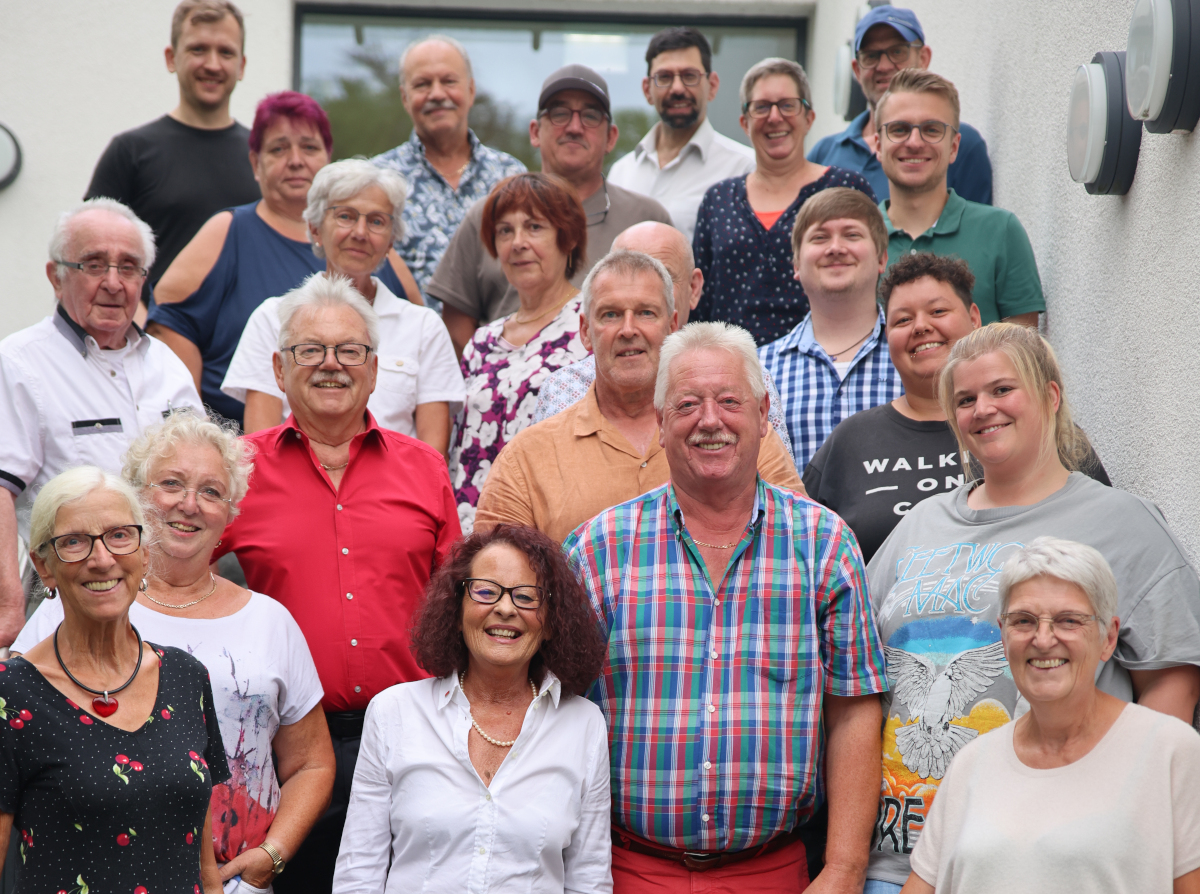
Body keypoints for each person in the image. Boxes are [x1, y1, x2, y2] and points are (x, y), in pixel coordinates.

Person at [865, 323, 1200, 893]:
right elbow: (866, 675)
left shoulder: (1123, 524)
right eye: (965, 399)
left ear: (1049, 395)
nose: (982, 410)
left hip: (1052, 859)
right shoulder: (919, 525)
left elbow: (1173, 683)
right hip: (900, 860)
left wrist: (1114, 817)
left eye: (1001, 390)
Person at [567, 322, 888, 893]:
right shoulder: (599, 549)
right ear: (660, 422)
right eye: (687, 403)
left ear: (764, 415)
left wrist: (843, 867)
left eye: (730, 401)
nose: (710, 420)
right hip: (626, 871)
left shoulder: (824, 545)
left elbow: (854, 710)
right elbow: (558, 711)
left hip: (778, 872)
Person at [12, 412, 336, 893]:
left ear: (231, 512)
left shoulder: (270, 621)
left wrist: (271, 857)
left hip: (235, 881)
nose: (190, 504)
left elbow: (312, 762)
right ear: (137, 497)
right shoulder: (79, 603)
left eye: (211, 491)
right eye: (171, 483)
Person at [213, 274, 460, 892]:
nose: (331, 365)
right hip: (286, 749)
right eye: (309, 350)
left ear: (374, 371)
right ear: (277, 367)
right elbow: (178, 574)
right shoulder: (237, 471)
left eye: (350, 351)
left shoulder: (424, 469)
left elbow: (460, 603)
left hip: (409, 738)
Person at [901, 538, 1200, 894]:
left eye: (1068, 620)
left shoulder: (1170, 751)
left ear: (1108, 638)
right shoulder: (971, 763)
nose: (1043, 640)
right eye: (1023, 621)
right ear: (1002, 634)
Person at [333, 524, 612, 892]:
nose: (505, 608)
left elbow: (588, 878)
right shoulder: (393, 712)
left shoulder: (582, 724)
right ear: (457, 608)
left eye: (527, 597)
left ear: (550, 623)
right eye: (485, 591)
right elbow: (359, 870)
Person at [0, 466, 229, 892]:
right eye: (73, 542)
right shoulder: (11, 694)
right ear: (43, 567)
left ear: (144, 552)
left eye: (120, 535)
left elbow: (202, 859)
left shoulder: (185, 676)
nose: (101, 558)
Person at [474, 250, 802, 543]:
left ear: (673, 326)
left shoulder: (735, 437)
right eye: (611, 315)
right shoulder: (528, 458)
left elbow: (801, 537)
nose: (628, 329)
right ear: (585, 332)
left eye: (646, 312)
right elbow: (492, 581)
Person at [804, 253, 1110, 563]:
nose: (920, 326)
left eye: (937, 310)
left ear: (974, 318)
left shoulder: (1043, 429)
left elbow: (1105, 536)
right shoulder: (851, 441)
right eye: (902, 319)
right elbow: (806, 552)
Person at [147, 91, 420, 426]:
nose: (295, 160)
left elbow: (416, 324)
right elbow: (169, 324)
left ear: (327, 157)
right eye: (278, 148)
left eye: (309, 147)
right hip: (243, 436)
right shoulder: (228, 230)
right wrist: (195, 423)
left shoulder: (371, 246)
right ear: (255, 163)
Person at [0, 198, 202, 644]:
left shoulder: (167, 365)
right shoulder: (19, 362)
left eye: (129, 267)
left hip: (170, 593)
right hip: (74, 594)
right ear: (56, 276)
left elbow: (207, 476)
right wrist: (7, 605)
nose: (114, 282)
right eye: (94, 265)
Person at [221, 158, 464, 456]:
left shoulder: (424, 326)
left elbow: (431, 456)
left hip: (393, 495)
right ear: (315, 228)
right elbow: (261, 448)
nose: (360, 232)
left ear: (391, 240)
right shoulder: (272, 318)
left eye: (376, 221)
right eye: (345, 216)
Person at [427, 64, 671, 357]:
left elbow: (673, 315)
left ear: (611, 138)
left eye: (591, 115)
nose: (574, 126)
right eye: (559, 113)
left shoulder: (647, 220)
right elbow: (456, 322)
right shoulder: (490, 215)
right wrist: (499, 375)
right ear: (534, 131)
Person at [530, 222, 795, 457]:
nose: (644, 282)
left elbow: (784, 500)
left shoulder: (747, 378)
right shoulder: (561, 390)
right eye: (626, 270)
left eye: (663, 275)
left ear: (694, 288)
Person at [85, 1, 261, 308]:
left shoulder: (263, 159)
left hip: (248, 349)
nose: (213, 64)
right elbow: (88, 258)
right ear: (171, 58)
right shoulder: (130, 152)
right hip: (148, 345)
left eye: (226, 52)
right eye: (198, 49)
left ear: (242, 65)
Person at [692, 58, 876, 346]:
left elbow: (873, 281)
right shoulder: (718, 201)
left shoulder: (847, 187)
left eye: (787, 105)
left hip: (822, 364)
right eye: (761, 107)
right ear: (745, 122)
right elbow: (699, 304)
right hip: (730, 375)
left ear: (809, 118)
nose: (774, 117)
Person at [449, 173, 591, 532]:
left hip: (549, 531)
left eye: (534, 227)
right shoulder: (482, 341)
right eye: (504, 231)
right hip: (471, 534)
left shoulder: (592, 326)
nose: (518, 243)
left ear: (568, 236)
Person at [870, 69, 1043, 327]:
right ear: (878, 145)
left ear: (953, 147)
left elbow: (1022, 356)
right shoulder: (856, 240)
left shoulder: (1000, 231)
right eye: (899, 129)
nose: (915, 142)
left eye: (931, 129)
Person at [373, 35, 526, 308]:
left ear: (470, 90)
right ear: (405, 97)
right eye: (422, 84)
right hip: (406, 347)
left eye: (448, 81)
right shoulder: (377, 180)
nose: (437, 94)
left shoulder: (511, 176)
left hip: (499, 345)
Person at [758, 188, 903, 470]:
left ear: (882, 258)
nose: (836, 247)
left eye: (852, 235)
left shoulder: (916, 357)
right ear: (797, 264)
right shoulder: (757, 369)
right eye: (820, 237)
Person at [808, 6, 993, 205]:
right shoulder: (824, 153)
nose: (884, 66)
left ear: (923, 58)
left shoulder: (960, 145)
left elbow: (976, 231)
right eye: (871, 56)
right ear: (856, 70)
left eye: (897, 51)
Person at [607, 27, 755, 242]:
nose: (677, 88)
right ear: (647, 90)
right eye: (664, 77)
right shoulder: (621, 173)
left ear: (712, 86)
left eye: (689, 76)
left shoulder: (744, 170)